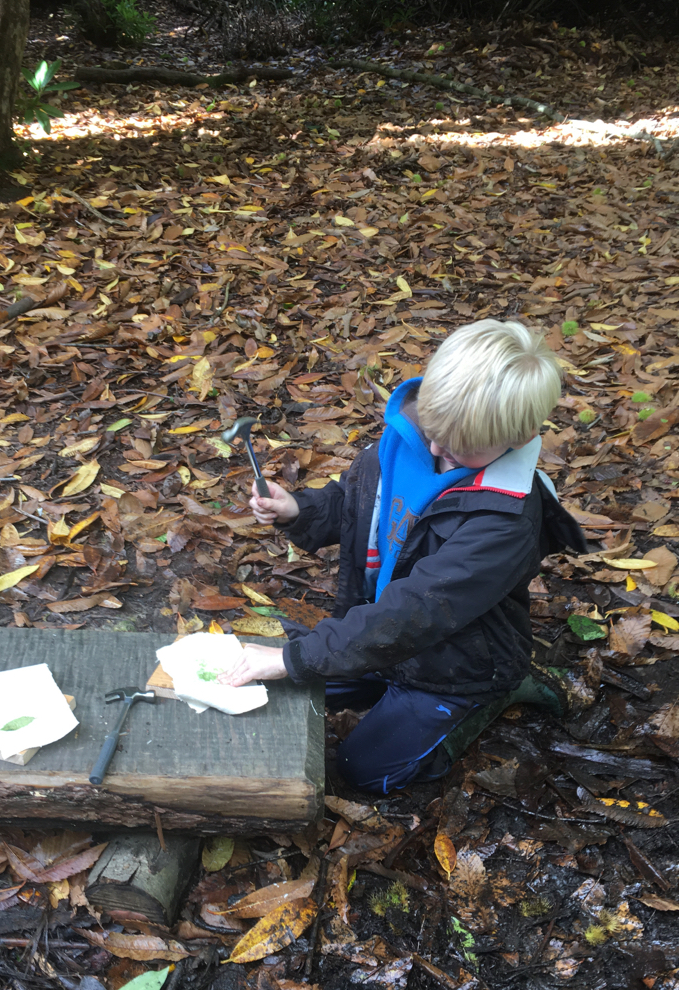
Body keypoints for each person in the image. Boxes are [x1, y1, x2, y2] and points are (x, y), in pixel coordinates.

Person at [218, 319, 586, 794]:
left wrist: (295, 658)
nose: (434, 450)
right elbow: (355, 503)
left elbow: (415, 612)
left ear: (520, 435)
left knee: (362, 770)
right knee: (266, 679)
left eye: (460, 450)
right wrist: (299, 510)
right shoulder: (405, 443)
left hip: (453, 667)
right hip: (382, 639)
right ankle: (374, 683)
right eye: (433, 430)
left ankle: (495, 698)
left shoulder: (506, 519)